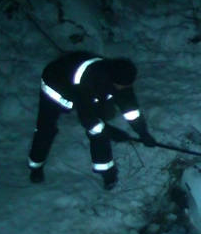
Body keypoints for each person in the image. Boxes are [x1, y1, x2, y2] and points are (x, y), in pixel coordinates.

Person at [27, 51, 156, 191]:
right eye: (123, 86)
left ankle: (107, 173)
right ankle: (36, 166)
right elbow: (88, 120)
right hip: (56, 85)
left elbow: (130, 109)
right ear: (113, 82)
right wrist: (111, 132)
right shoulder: (91, 82)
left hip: (84, 87)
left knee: (100, 130)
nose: (126, 89)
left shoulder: (121, 81)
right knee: (46, 128)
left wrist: (143, 132)